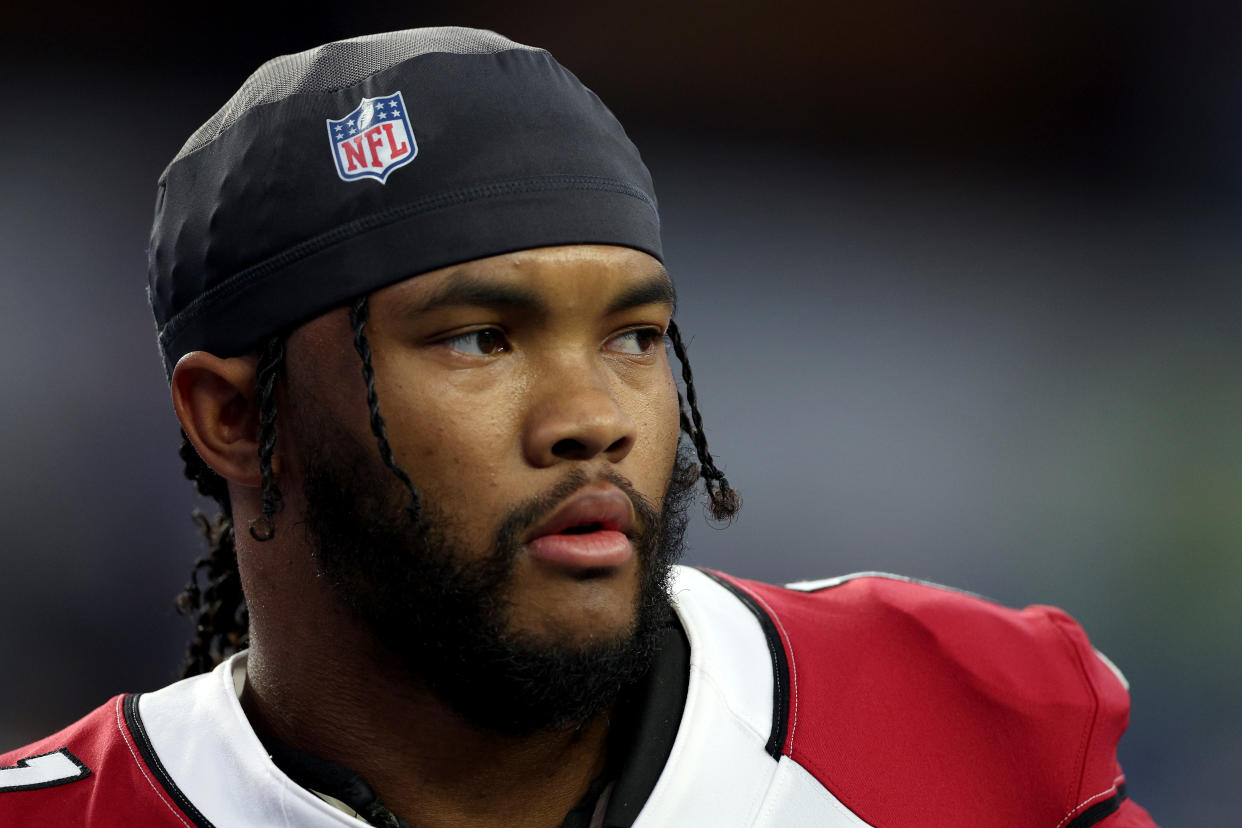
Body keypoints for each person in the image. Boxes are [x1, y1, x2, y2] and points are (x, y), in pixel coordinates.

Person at [0, 27, 1157, 828]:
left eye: (635, 336)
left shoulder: (970, 714)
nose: (591, 419)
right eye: (478, 339)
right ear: (238, 419)